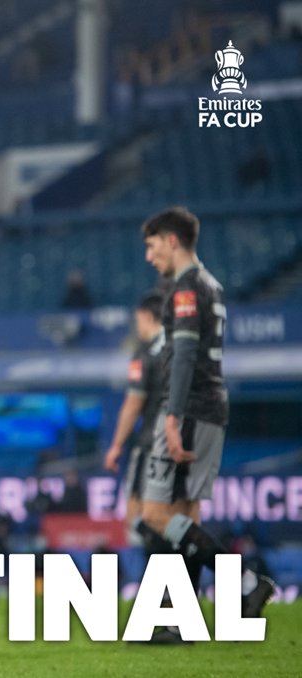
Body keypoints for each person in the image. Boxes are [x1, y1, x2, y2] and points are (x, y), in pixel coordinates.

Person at [133, 206, 274, 643]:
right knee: (186, 517)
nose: (149, 257)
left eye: (153, 246)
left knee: (154, 514)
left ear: (172, 241)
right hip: (212, 406)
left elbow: (186, 355)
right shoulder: (211, 283)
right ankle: (181, 622)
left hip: (190, 408)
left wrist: (172, 416)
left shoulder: (187, 288)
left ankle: (248, 583)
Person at [102, 291, 166, 547]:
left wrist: (116, 445)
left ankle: (155, 576)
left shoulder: (145, 353)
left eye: (138, 319)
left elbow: (133, 403)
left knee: (138, 514)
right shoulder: (181, 350)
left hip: (152, 441)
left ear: (146, 316)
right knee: (179, 514)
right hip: (186, 441)